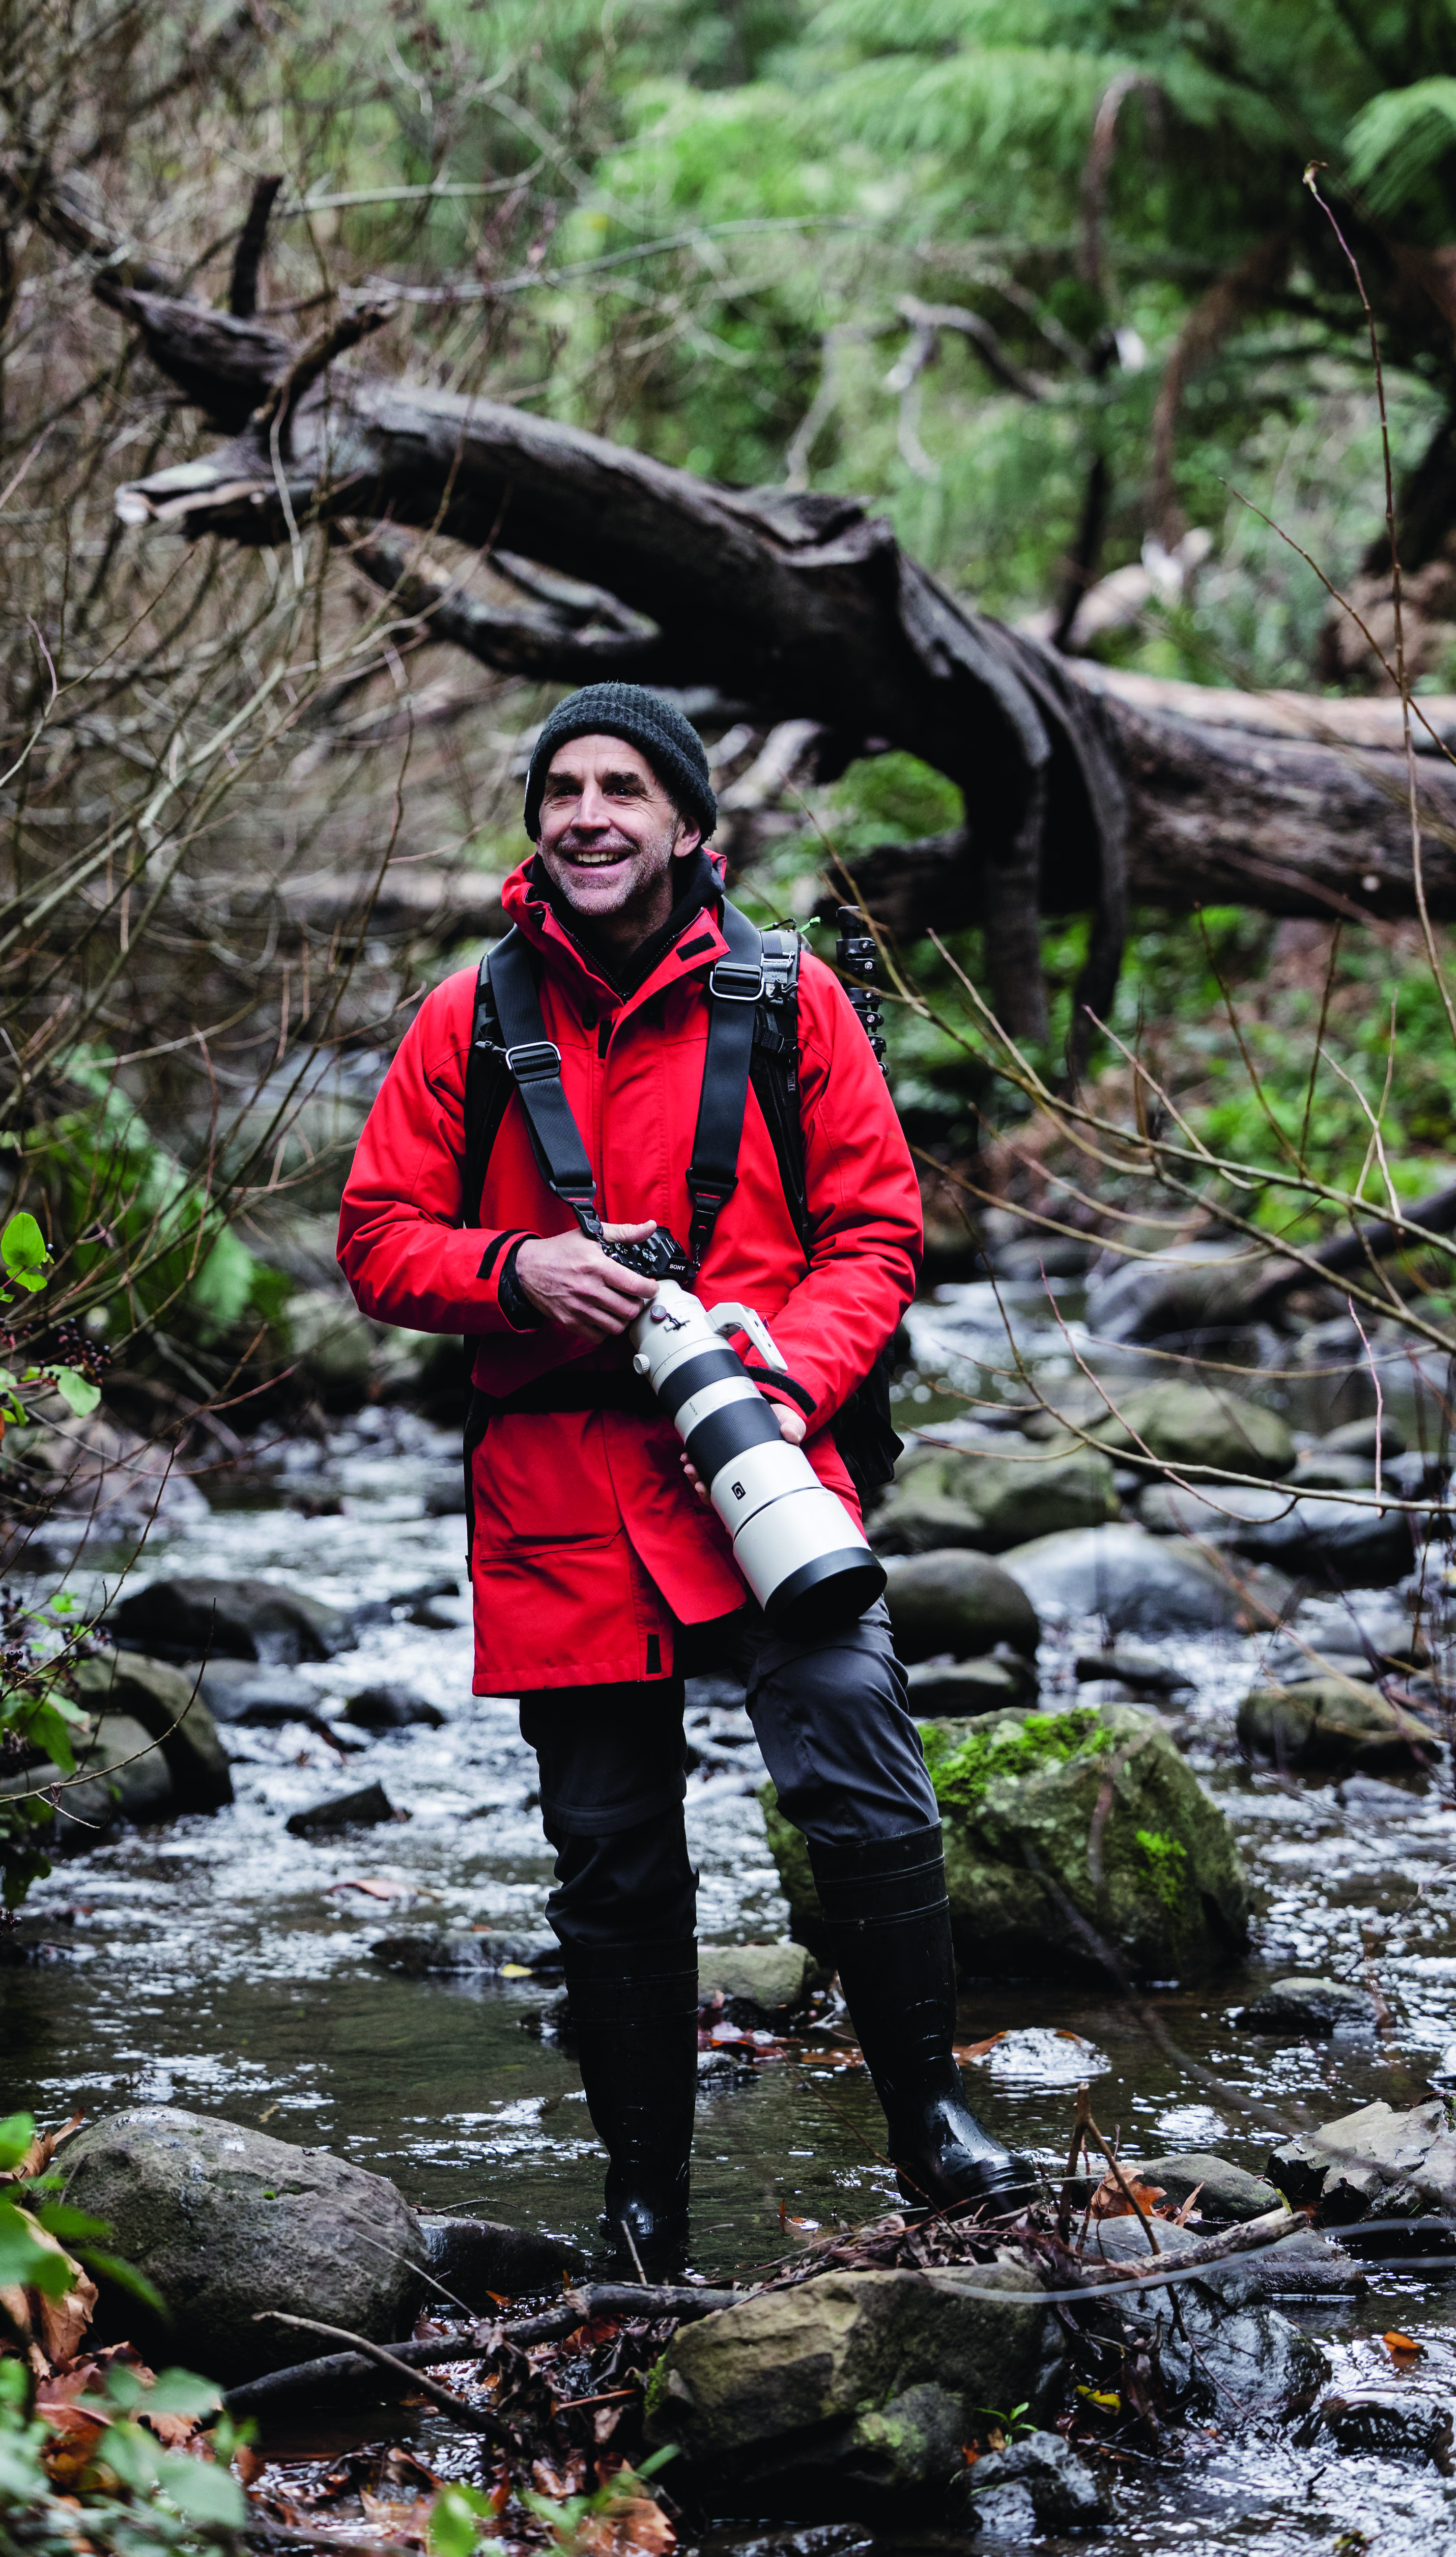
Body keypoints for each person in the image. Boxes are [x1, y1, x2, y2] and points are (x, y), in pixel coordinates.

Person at [338, 683, 1032, 2256]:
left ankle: (929, 2121)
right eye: (563, 790)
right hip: (560, 1485)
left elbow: (876, 1233)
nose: (588, 814)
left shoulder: (790, 1004)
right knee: (609, 1850)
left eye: (624, 789)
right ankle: (645, 2199)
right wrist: (520, 1276)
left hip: (760, 1458)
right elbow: (376, 1240)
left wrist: (786, 1372)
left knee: (859, 1742)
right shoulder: (468, 1018)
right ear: (539, 825)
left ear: (688, 827)